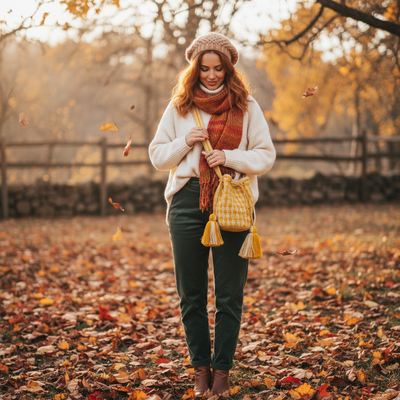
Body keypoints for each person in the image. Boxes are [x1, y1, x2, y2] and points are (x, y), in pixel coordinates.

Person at [149, 32, 276, 396]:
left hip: (231, 203)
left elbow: (265, 156)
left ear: (229, 68)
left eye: (218, 68)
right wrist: (183, 142)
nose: (211, 75)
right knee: (190, 294)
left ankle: (221, 373)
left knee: (228, 295)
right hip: (188, 203)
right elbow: (158, 157)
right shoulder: (179, 107)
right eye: (204, 68)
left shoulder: (247, 106)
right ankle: (200, 370)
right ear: (195, 68)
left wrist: (230, 157)